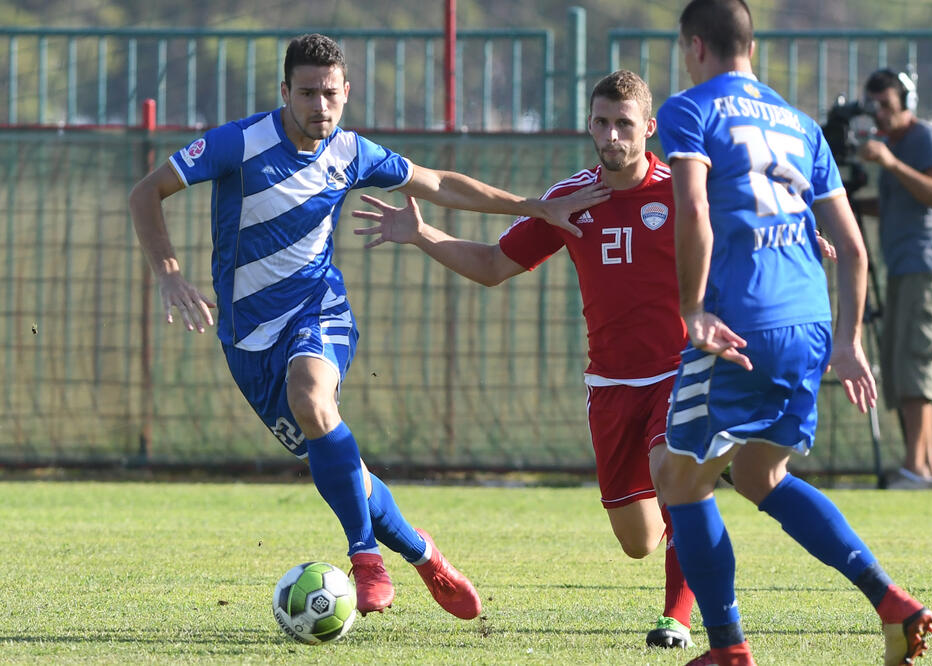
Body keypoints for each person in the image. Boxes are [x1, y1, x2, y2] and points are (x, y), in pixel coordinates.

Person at [128, 33, 608, 621]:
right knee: (343, 467)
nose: (319, 107)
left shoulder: (351, 152)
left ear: (346, 93)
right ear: (284, 92)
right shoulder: (240, 142)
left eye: (330, 94)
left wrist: (532, 206)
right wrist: (169, 273)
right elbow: (146, 190)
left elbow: (438, 183)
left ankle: (365, 558)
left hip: (316, 309)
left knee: (311, 394)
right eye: (306, 93)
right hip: (247, 341)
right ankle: (425, 555)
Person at [352, 70, 697, 649]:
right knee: (638, 541)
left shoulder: (680, 190)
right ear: (589, 124)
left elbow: (742, 224)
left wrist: (800, 236)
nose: (611, 135)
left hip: (679, 369)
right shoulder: (570, 200)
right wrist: (421, 234)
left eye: (624, 124)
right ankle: (691, 518)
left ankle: (677, 617)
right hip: (611, 383)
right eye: (601, 122)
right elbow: (492, 266)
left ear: (649, 128)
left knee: (673, 474)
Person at [648, 2, 932, 665]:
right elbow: (854, 249)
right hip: (807, 325)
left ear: (696, 47)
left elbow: (694, 206)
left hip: (737, 326)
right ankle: (890, 600)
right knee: (760, 474)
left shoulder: (690, 111)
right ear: (750, 44)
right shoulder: (802, 125)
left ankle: (728, 648)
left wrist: (692, 308)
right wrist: (847, 341)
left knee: (677, 477)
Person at [858, 69, 932, 491]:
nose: (878, 114)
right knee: (902, 370)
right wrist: (846, 203)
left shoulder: (925, 139)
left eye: (886, 105)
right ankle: (925, 470)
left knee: (918, 364)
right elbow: (896, 204)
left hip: (928, 266)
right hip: (903, 267)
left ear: (907, 103)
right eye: (873, 106)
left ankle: (915, 469)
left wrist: (891, 162)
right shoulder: (894, 147)